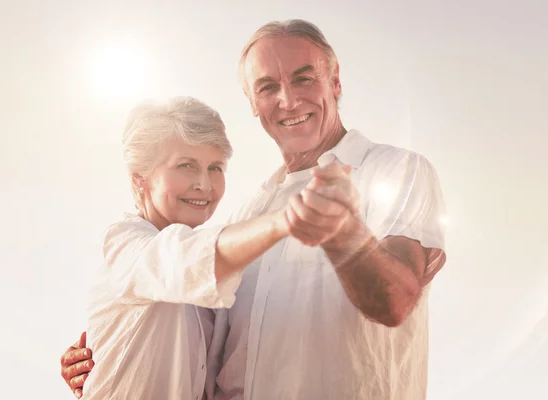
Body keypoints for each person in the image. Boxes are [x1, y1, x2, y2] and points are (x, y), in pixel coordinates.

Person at [61, 20, 448, 400]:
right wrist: (105, 352)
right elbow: (192, 328)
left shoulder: (396, 171)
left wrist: (345, 235)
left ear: (335, 81)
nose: (288, 100)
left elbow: (396, 301)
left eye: (304, 78)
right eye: (267, 87)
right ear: (252, 102)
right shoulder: (247, 216)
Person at [77, 96, 353, 399]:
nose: (204, 185)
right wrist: (285, 219)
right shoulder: (123, 243)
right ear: (140, 179)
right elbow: (176, 261)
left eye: (215, 167)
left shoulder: (209, 268)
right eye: (186, 166)